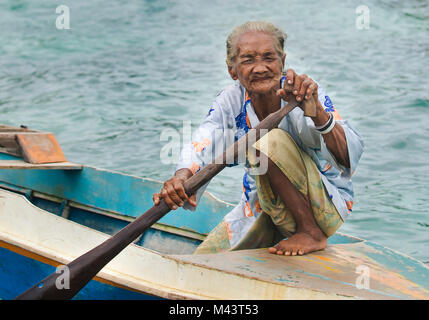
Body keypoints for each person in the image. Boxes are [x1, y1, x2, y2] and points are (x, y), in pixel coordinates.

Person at [152, 21, 364, 256]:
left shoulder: (302, 91)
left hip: (323, 206)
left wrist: (318, 115)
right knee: (203, 261)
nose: (260, 68)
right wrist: (181, 178)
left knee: (268, 143)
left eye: (268, 58)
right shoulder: (230, 101)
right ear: (232, 70)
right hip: (266, 206)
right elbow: (205, 139)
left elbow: (346, 157)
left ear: (282, 62)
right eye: (248, 60)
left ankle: (310, 233)